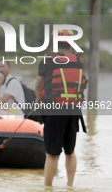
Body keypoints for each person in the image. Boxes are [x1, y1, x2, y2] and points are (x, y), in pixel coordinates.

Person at [34, 29, 87, 187]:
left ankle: (48, 188)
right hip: (73, 110)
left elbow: (38, 85)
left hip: (54, 109)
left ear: (53, 42)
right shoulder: (78, 61)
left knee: (51, 153)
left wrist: (38, 101)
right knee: (70, 152)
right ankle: (70, 186)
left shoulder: (47, 60)